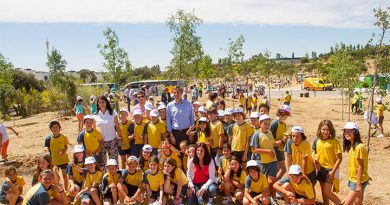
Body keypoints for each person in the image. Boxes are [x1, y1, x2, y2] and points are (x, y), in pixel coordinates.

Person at [312, 120, 342, 205]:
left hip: (331, 170)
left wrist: (333, 172)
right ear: (320, 129)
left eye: (328, 130)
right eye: (323, 129)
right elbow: (316, 152)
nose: (325, 132)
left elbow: (339, 158)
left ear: (331, 130)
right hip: (321, 169)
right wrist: (316, 162)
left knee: (327, 192)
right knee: (323, 191)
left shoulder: (334, 141)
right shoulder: (316, 140)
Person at [251, 114, 278, 204]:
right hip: (262, 162)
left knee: (271, 182)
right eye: (265, 124)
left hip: (273, 161)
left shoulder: (270, 133)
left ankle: (273, 198)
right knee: (263, 183)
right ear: (260, 123)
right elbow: (254, 150)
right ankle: (263, 198)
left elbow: (273, 144)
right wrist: (268, 151)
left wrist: (283, 141)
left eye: (268, 124)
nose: (267, 126)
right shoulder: (257, 134)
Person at [342, 122, 369, 205]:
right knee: (358, 202)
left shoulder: (359, 147)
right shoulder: (352, 145)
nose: (347, 133)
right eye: (345, 131)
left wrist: (358, 184)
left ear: (356, 132)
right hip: (354, 178)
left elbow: (361, 166)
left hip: (357, 181)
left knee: (347, 203)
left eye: (350, 131)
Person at [93, 96, 121, 163]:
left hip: (112, 141)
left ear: (106, 103)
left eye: (103, 102)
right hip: (100, 142)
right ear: (98, 104)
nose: (101, 104)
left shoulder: (113, 113)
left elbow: (117, 126)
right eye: (99, 102)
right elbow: (94, 129)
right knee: (102, 162)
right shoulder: (95, 115)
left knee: (114, 161)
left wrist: (119, 139)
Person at [44, 119, 69, 191]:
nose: (55, 129)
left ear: (59, 128)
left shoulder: (64, 137)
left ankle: (66, 190)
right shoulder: (48, 139)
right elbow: (49, 150)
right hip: (54, 161)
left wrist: (63, 150)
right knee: (55, 177)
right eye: (53, 127)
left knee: (65, 176)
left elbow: (66, 147)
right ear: (50, 129)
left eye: (56, 127)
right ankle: (57, 191)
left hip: (64, 160)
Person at [270, 106, 290, 181]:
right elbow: (271, 141)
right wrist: (282, 141)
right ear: (283, 114)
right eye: (287, 115)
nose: (287, 117)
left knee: (278, 169)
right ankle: (273, 184)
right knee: (283, 169)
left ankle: (274, 185)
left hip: (281, 149)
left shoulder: (283, 124)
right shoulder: (274, 124)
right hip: (276, 150)